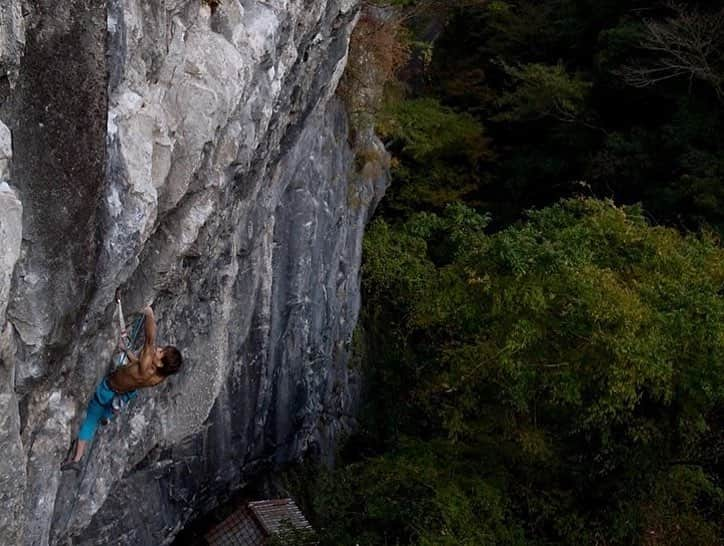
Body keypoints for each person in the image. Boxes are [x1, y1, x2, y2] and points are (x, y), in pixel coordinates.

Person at [61, 304, 182, 471]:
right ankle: (107, 415)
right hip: (124, 393)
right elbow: (139, 367)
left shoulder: (147, 365)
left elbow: (150, 339)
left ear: (160, 363)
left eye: (161, 352)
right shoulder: (158, 377)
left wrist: (149, 312)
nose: (158, 349)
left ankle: (77, 458)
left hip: (108, 389)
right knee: (107, 409)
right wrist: (127, 350)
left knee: (90, 421)